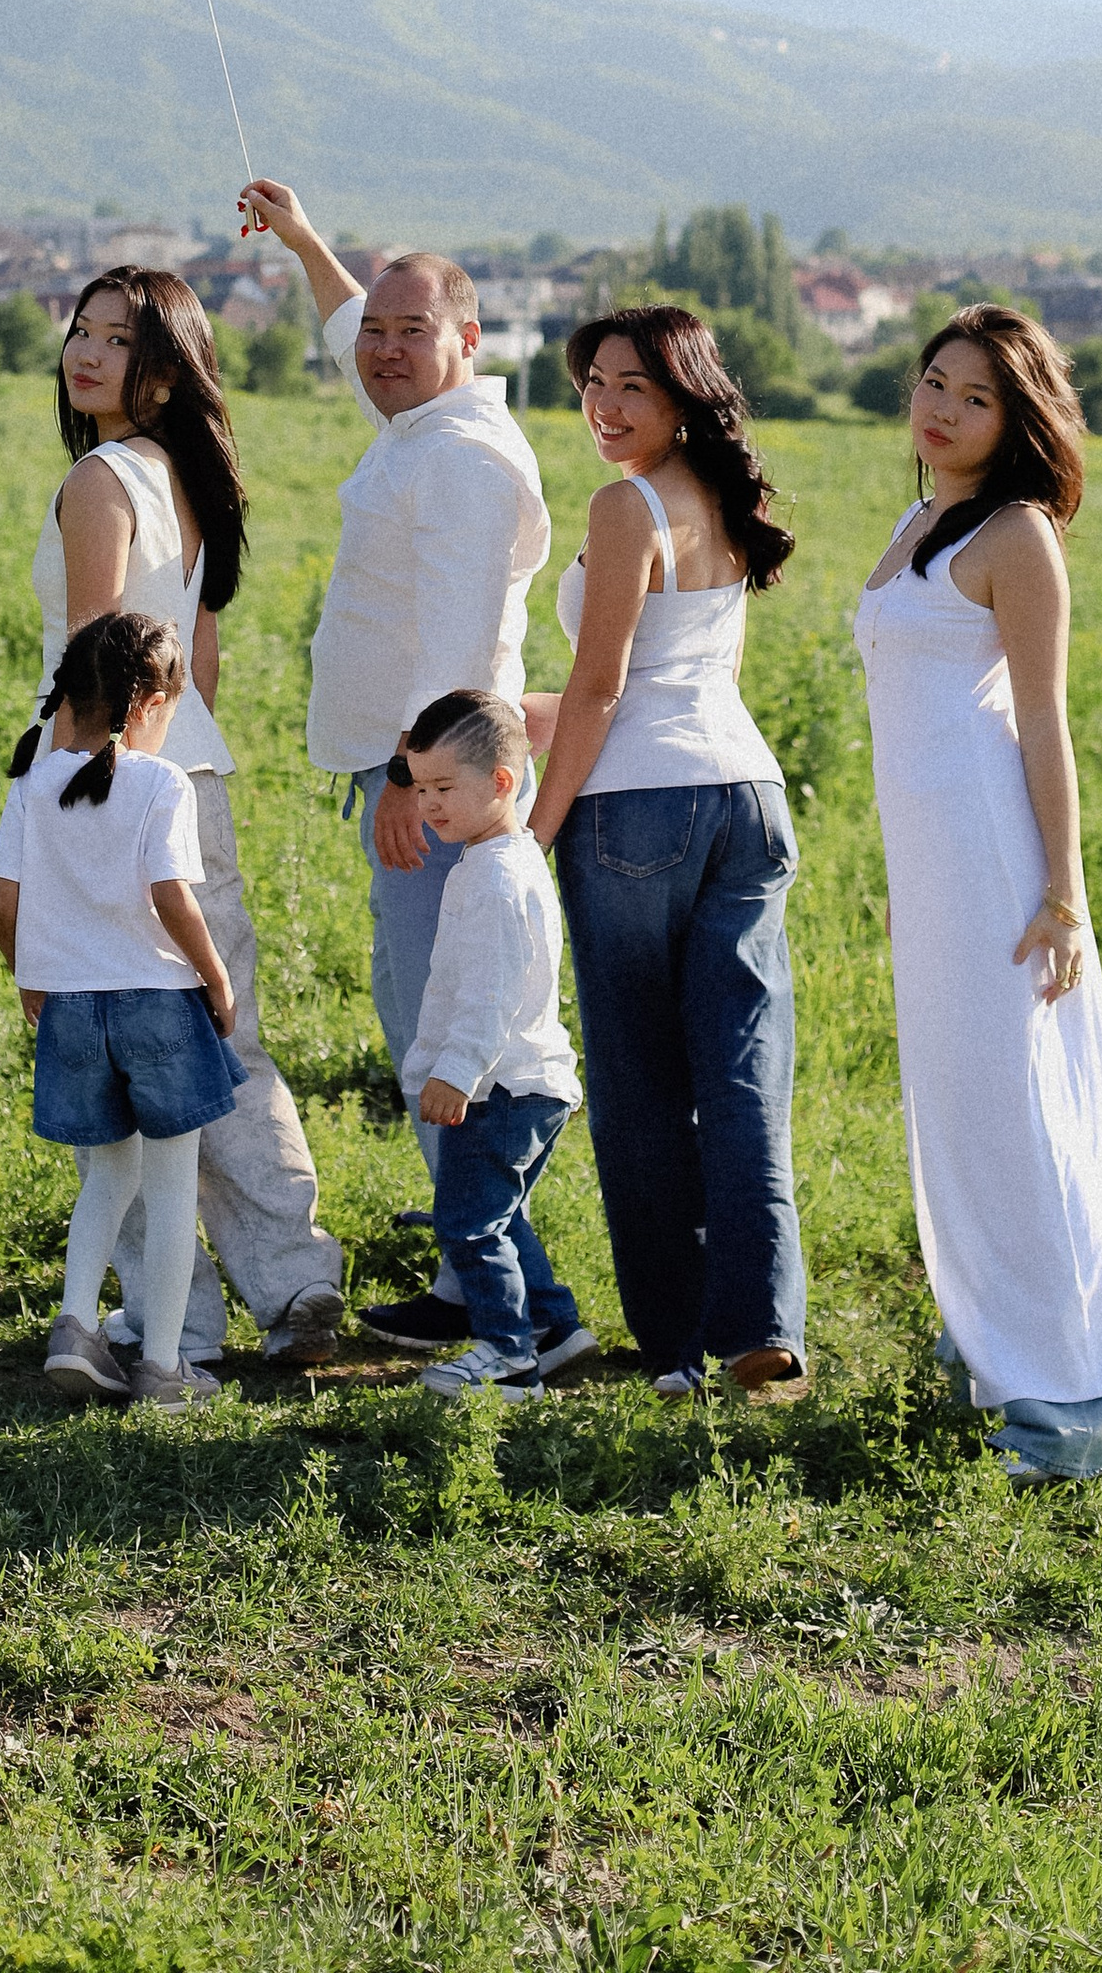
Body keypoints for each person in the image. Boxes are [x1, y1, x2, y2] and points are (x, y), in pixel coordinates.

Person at [236, 179, 578, 1367]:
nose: (381, 350)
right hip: (425, 780)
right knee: (432, 1032)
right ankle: (474, 1280)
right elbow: (353, 331)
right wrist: (303, 241)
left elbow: (461, 650)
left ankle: (520, 1310)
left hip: (438, 790)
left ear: (468, 340)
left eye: (410, 331)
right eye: (375, 332)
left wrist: (404, 780)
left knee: (445, 1041)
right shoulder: (423, 424)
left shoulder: (464, 459)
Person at [30, 266, 342, 1375]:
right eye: (82, 329)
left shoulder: (101, 480)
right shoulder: (185, 480)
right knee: (221, 1033)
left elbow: (95, 663)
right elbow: (194, 659)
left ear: (165, 374)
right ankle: (294, 1277)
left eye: (119, 339)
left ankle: (174, 1322)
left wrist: (64, 809)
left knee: (111, 1051)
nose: (87, 351)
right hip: (190, 775)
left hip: (106, 785)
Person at [849, 304, 1102, 1481]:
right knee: (959, 1109)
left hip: (991, 857)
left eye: (976, 398)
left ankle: (1072, 1408)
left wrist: (1062, 896)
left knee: (1016, 1113)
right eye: (935, 381)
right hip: (931, 862)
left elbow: (1043, 722)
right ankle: (989, 1346)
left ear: (1019, 420)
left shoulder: (1018, 535)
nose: (943, 409)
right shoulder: (920, 517)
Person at [528, 304, 808, 1401]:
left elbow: (602, 689)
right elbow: (692, 673)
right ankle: (761, 1327)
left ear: (684, 394)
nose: (602, 404)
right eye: (592, 382)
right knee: (742, 1075)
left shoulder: (624, 505)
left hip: (636, 811)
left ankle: (676, 1350)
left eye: (631, 386)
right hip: (749, 797)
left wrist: (537, 829)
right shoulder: (726, 503)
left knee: (640, 1084)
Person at [0, 611, 244, 1412]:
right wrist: (216, 977)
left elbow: (2, 902)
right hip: (158, 1006)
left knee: (107, 1174)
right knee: (170, 1190)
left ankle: (74, 1329)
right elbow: (170, 896)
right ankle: (163, 1367)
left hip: (69, 1007)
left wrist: (29, 974)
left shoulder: (33, 785)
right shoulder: (161, 783)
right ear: (150, 705)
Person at [394, 689, 591, 1402]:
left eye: (444, 788)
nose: (428, 805)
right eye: (420, 788)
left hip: (498, 1087)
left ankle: (508, 1357)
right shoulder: (500, 859)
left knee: (469, 1225)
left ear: (502, 781)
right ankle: (553, 1325)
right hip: (526, 1082)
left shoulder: (498, 880)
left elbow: (491, 992)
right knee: (499, 1216)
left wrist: (456, 1071)